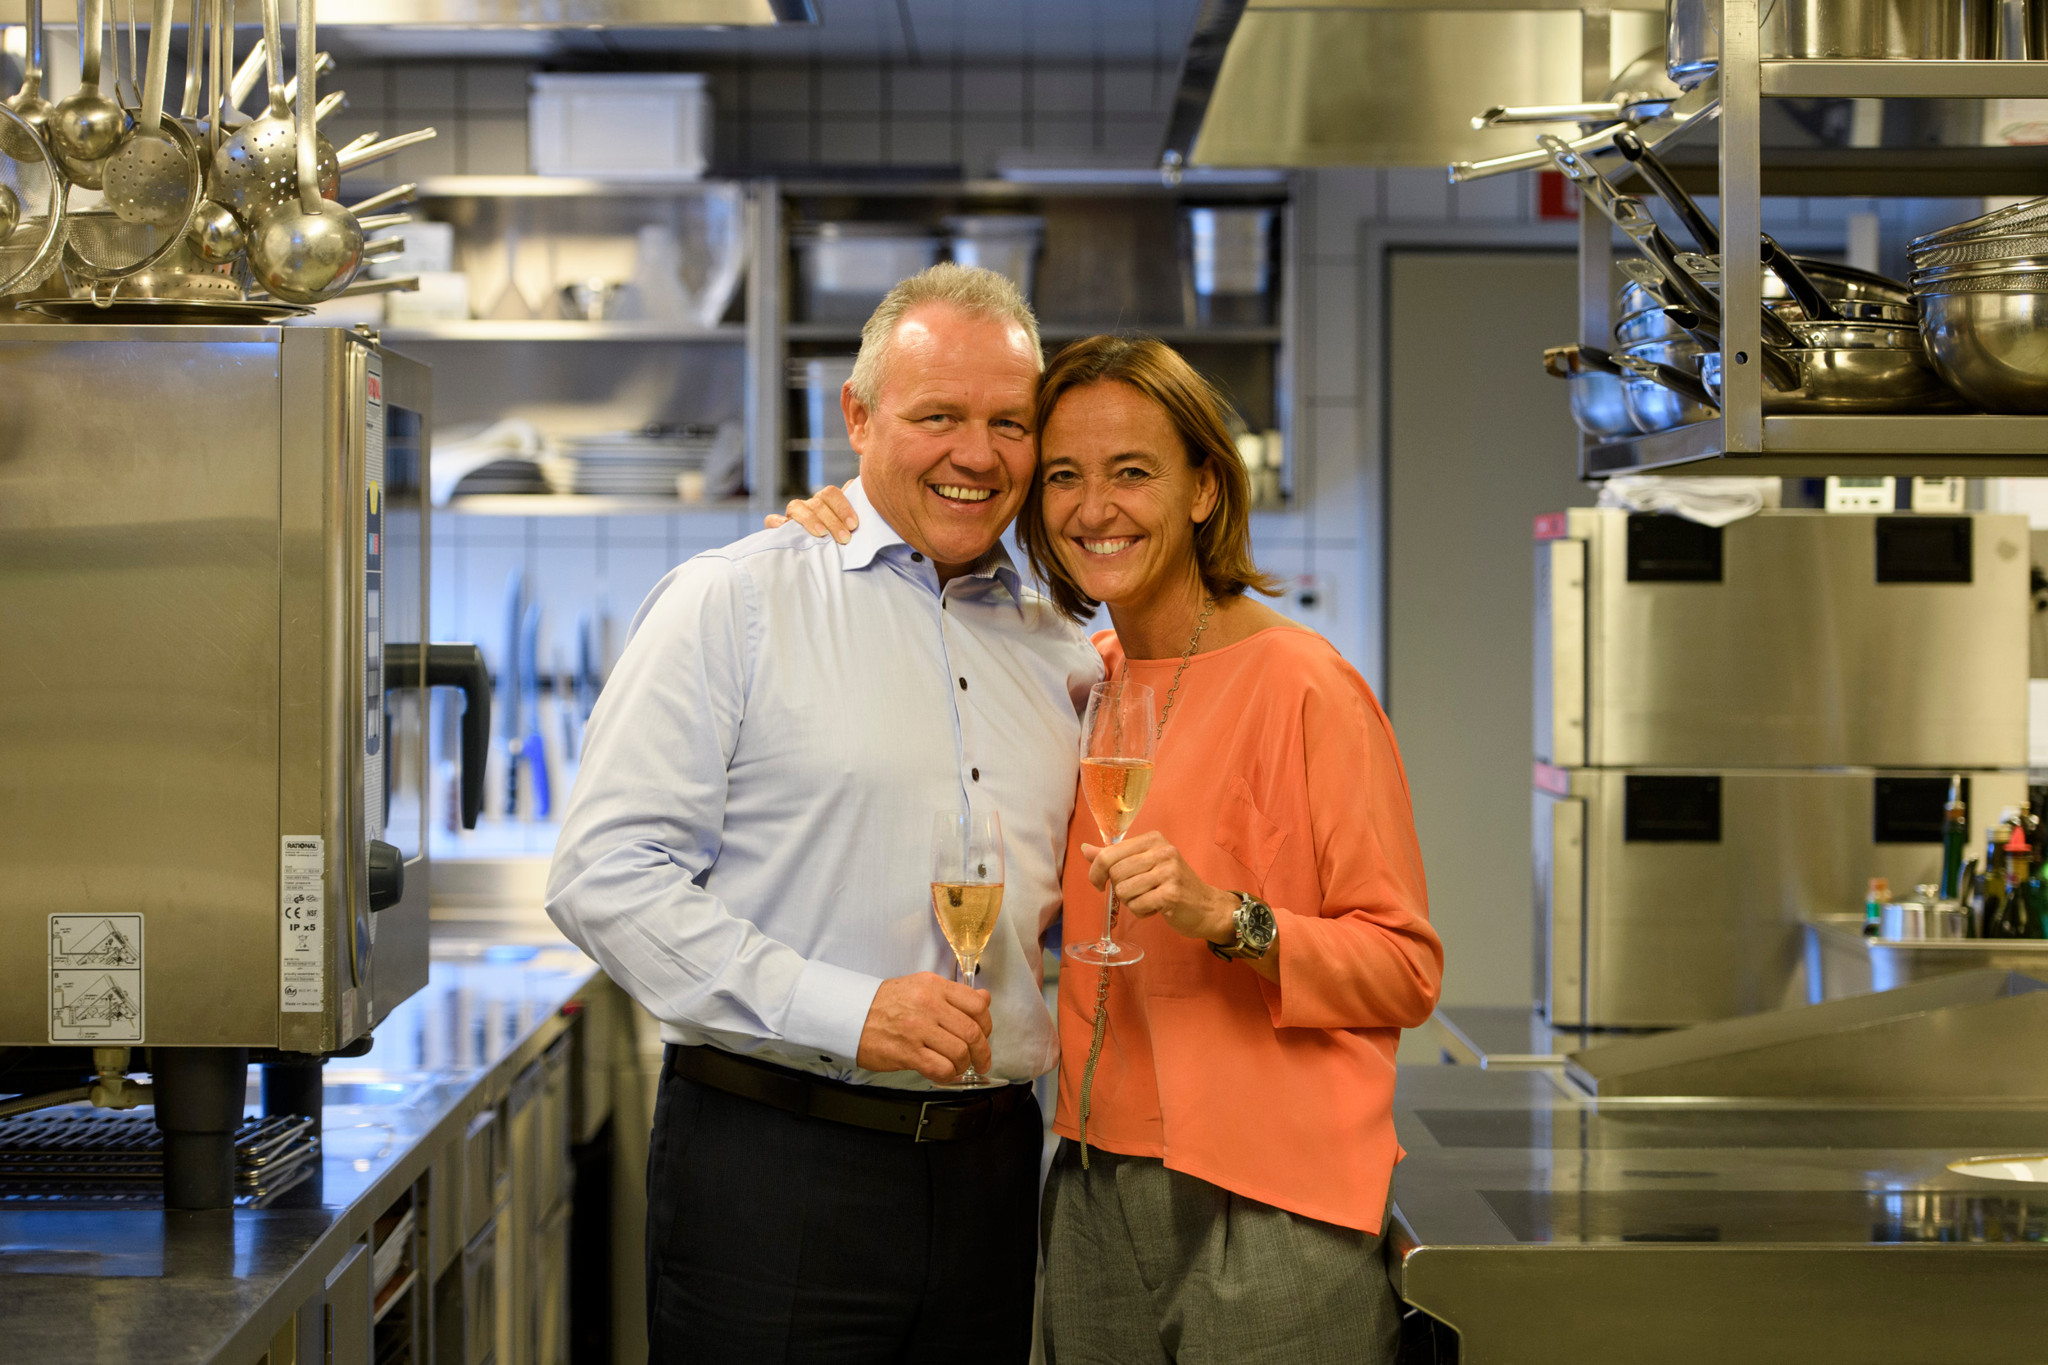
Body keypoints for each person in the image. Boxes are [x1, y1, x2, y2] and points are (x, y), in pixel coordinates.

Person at [777, 334, 1443, 1365]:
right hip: (1090, 1182)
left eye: (1131, 472)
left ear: (1203, 489)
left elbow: (1405, 967)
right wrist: (837, 527)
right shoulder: (1082, 679)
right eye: (1062, 477)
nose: (1094, 509)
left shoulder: (1305, 686)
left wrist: (1228, 918)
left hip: (1271, 1203)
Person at [547, 263, 1101, 1364]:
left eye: (1008, 422)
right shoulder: (735, 601)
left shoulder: (1064, 653)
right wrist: (848, 1011)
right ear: (857, 416)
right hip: (774, 1171)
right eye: (937, 416)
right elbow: (603, 876)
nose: (977, 454)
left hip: (992, 1177)